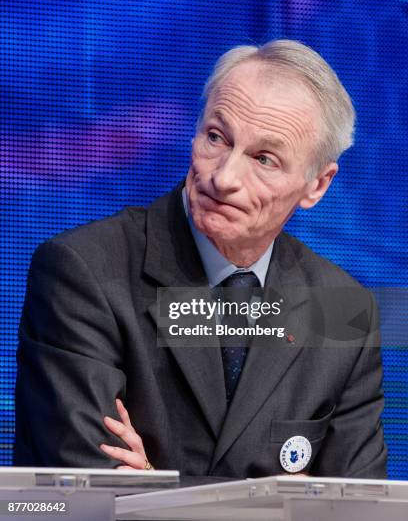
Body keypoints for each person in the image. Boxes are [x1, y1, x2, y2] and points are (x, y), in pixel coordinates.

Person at [14, 40, 387, 478]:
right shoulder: (84, 271)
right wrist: (279, 501)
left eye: (264, 159)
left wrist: (154, 480)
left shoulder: (342, 310)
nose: (223, 177)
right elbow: (87, 491)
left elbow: (356, 508)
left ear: (317, 186)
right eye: (216, 137)